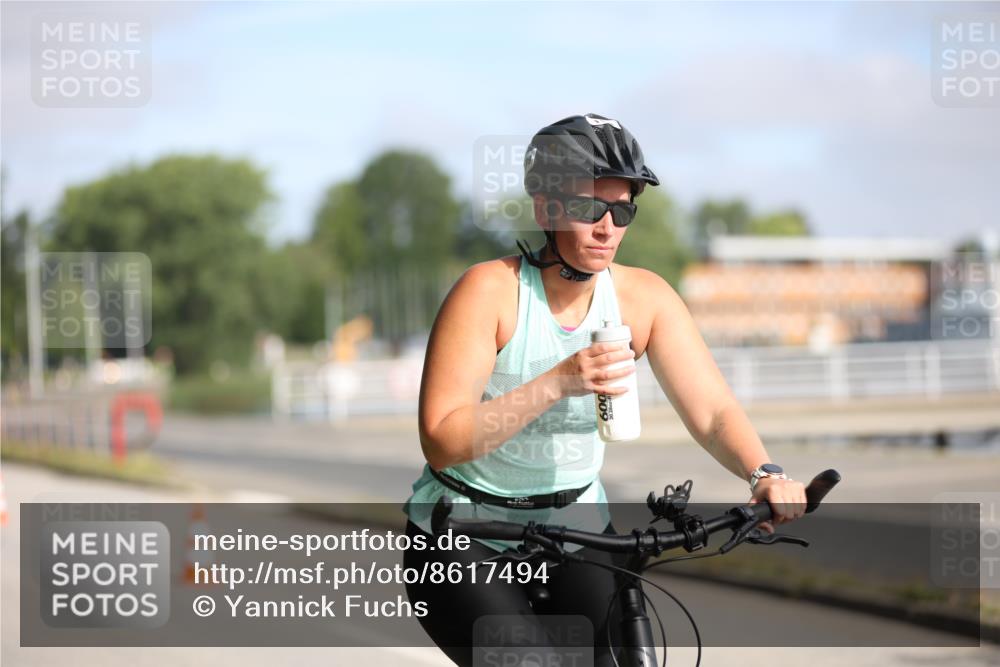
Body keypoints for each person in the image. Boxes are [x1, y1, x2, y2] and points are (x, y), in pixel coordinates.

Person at [402, 113, 807, 666]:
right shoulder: (490, 292)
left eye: (622, 211)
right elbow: (442, 438)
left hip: (578, 530)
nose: (607, 227)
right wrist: (559, 381)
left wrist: (764, 473)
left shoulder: (646, 299)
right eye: (590, 207)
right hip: (466, 536)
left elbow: (712, 411)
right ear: (546, 209)